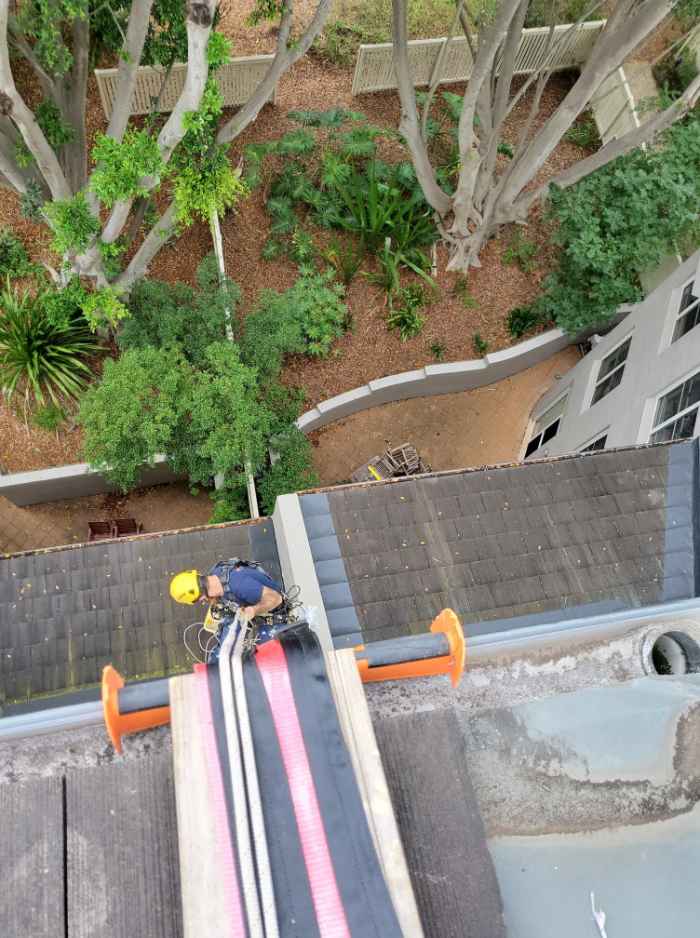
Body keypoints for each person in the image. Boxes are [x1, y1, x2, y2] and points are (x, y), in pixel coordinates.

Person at [169, 559, 285, 621]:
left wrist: (253, 610)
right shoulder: (216, 572)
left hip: (275, 605)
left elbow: (276, 599)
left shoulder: (240, 585)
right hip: (254, 594)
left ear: (200, 597)